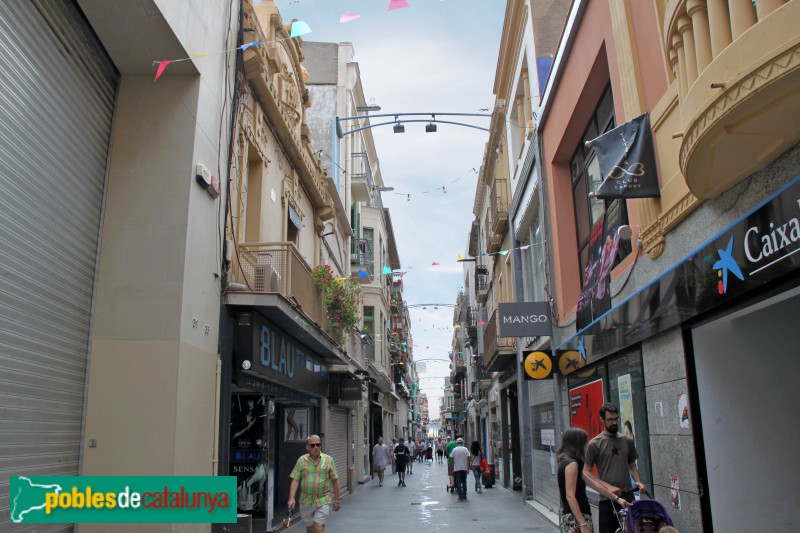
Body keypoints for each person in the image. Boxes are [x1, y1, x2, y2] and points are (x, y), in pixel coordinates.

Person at [584, 403, 645, 533]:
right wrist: (608, 487)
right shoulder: (595, 443)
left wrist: (638, 481)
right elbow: (586, 472)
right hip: (607, 499)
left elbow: (632, 465)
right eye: (610, 420)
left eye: (616, 419)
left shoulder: (627, 440)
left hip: (628, 497)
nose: (614, 422)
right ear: (602, 419)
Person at [558, 427, 630, 533]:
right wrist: (582, 523)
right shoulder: (571, 464)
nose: (587, 446)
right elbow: (570, 496)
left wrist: (617, 499)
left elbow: (593, 484)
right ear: (578, 444)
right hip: (576, 520)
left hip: (576, 518)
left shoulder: (571, 463)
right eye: (585, 443)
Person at [288, 435, 341, 533]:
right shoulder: (301, 460)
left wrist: (337, 500)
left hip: (323, 500)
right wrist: (292, 498)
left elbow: (335, 480)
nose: (316, 447)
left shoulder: (328, 460)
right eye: (313, 445)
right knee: (310, 528)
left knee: (319, 526)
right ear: (307, 447)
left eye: (318, 444)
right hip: (305, 501)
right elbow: (295, 479)